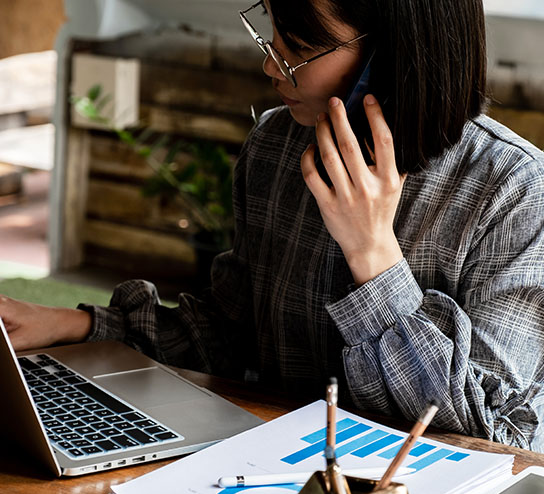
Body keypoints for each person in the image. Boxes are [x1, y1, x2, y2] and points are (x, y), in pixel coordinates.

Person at [2, 0, 544, 451]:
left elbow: (486, 436)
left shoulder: (515, 193)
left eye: (301, 49)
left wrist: (373, 255)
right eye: (274, 40)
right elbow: (231, 336)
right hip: (264, 474)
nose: (271, 67)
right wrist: (72, 325)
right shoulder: (275, 145)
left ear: (396, 58)